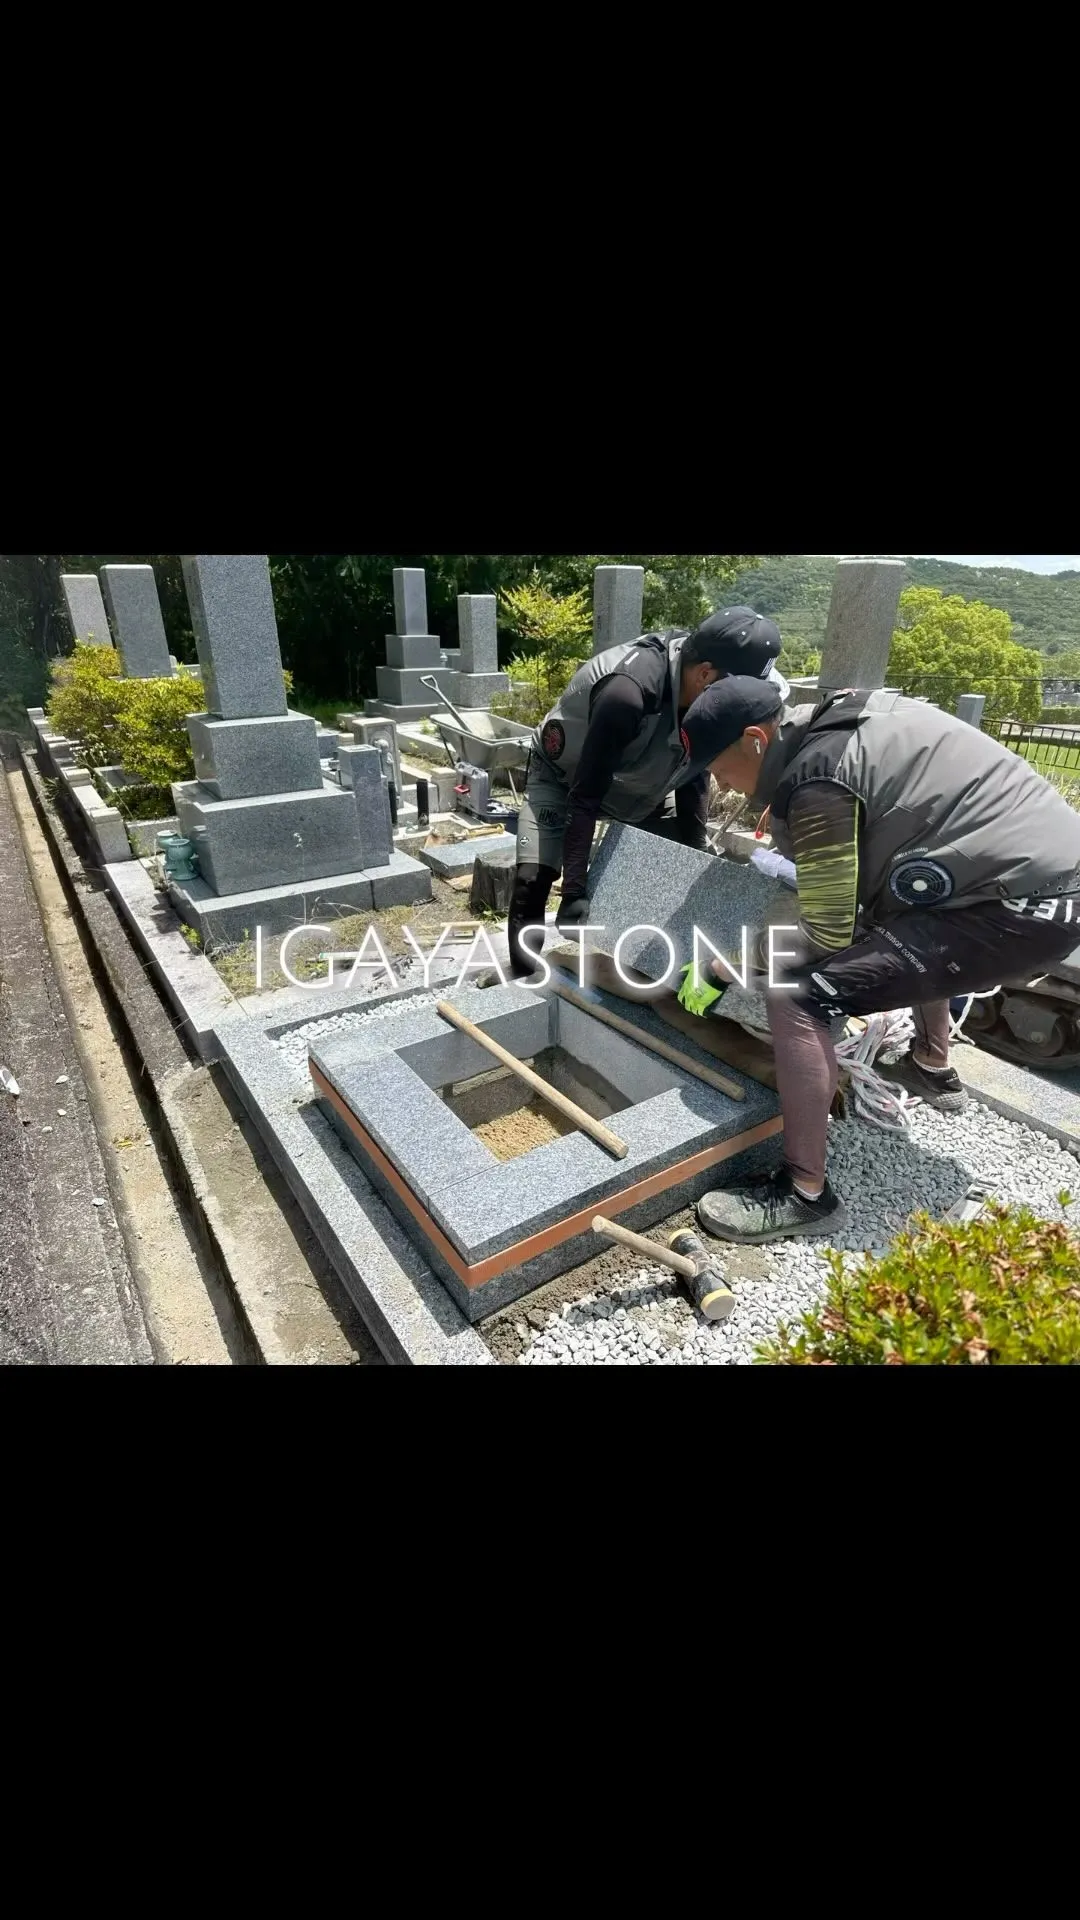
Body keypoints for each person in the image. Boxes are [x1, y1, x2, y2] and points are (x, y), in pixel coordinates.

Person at [677, 680, 1080, 1245]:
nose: (718, 782)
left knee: (799, 998)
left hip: (1017, 909)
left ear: (755, 741)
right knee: (896, 928)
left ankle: (804, 1194)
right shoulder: (841, 717)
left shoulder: (817, 782)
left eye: (718, 766)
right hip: (1039, 881)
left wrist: (726, 967)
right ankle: (931, 1064)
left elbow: (824, 932)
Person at [508, 607, 790, 978]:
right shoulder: (627, 692)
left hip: (642, 781)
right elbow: (585, 795)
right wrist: (574, 891)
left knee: (672, 860)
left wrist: (695, 852)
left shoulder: (711, 700)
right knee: (535, 876)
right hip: (566, 777)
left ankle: (647, 968)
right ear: (705, 673)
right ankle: (524, 982)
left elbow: (693, 770)